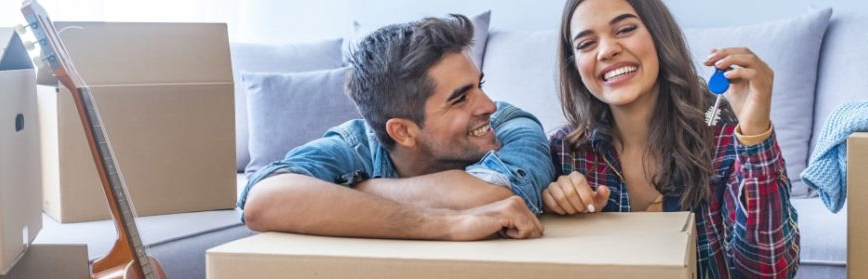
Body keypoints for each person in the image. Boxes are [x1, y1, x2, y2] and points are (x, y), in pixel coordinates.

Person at [239, 15, 555, 241]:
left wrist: (355, 191)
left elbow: (497, 196)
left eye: (479, 85)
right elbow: (263, 201)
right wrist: (443, 225)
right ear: (402, 132)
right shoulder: (357, 143)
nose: (488, 105)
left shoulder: (512, 125)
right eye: (460, 99)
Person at [545, 0, 800, 277]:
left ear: (659, 36)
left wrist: (755, 135)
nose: (607, 51)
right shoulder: (565, 152)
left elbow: (770, 272)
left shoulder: (725, 143)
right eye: (586, 44)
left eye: (625, 29)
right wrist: (551, 205)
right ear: (574, 65)